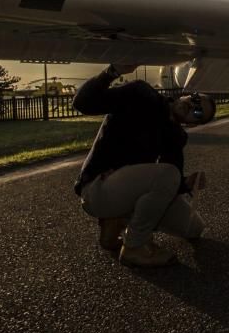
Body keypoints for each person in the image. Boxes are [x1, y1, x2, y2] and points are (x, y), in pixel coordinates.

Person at [72, 64, 216, 267]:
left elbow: (168, 182)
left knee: (193, 228)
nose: (192, 107)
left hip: (126, 193)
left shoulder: (175, 135)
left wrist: (186, 183)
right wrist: (112, 72)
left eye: (198, 113)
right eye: (195, 100)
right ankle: (134, 246)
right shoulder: (141, 94)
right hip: (98, 188)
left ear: (193, 124)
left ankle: (115, 221)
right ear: (186, 95)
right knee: (168, 175)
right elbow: (83, 103)